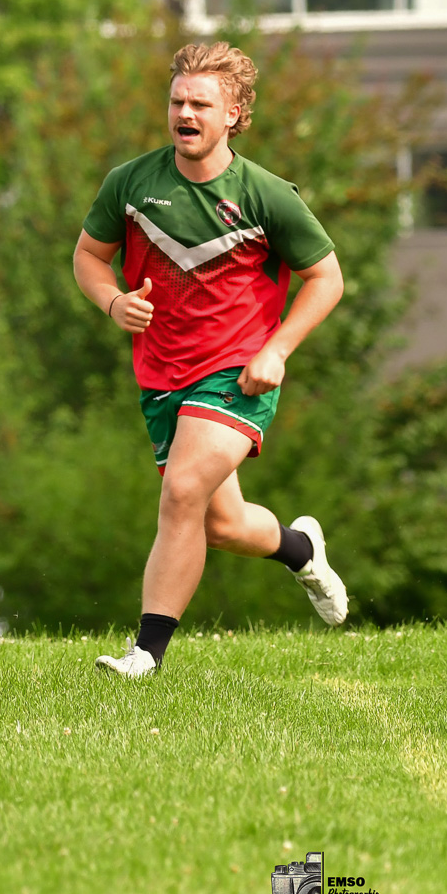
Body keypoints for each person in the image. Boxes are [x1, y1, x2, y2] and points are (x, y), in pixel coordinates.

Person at [73, 43, 347, 678]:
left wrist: (277, 349)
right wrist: (113, 303)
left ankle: (146, 653)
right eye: (177, 101)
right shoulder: (131, 182)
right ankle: (301, 549)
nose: (185, 113)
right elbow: (88, 257)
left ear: (235, 114)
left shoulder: (266, 195)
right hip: (162, 377)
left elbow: (326, 279)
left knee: (182, 491)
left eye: (201, 103)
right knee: (218, 524)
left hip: (237, 373)